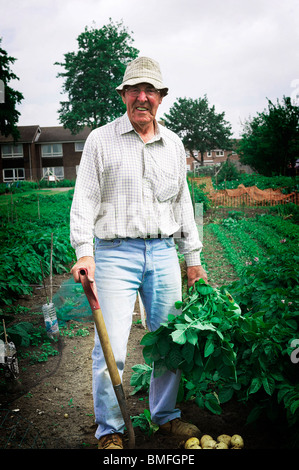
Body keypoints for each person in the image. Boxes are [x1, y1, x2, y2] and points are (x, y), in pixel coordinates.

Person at [70, 56, 208, 449]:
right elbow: (84, 200)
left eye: (150, 90)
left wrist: (192, 259)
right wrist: (84, 250)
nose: (142, 97)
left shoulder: (174, 144)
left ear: (161, 97)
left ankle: (165, 416)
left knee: (169, 339)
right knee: (109, 343)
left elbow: (183, 205)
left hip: (164, 252)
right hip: (114, 253)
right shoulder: (101, 140)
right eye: (135, 90)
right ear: (124, 95)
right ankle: (110, 429)